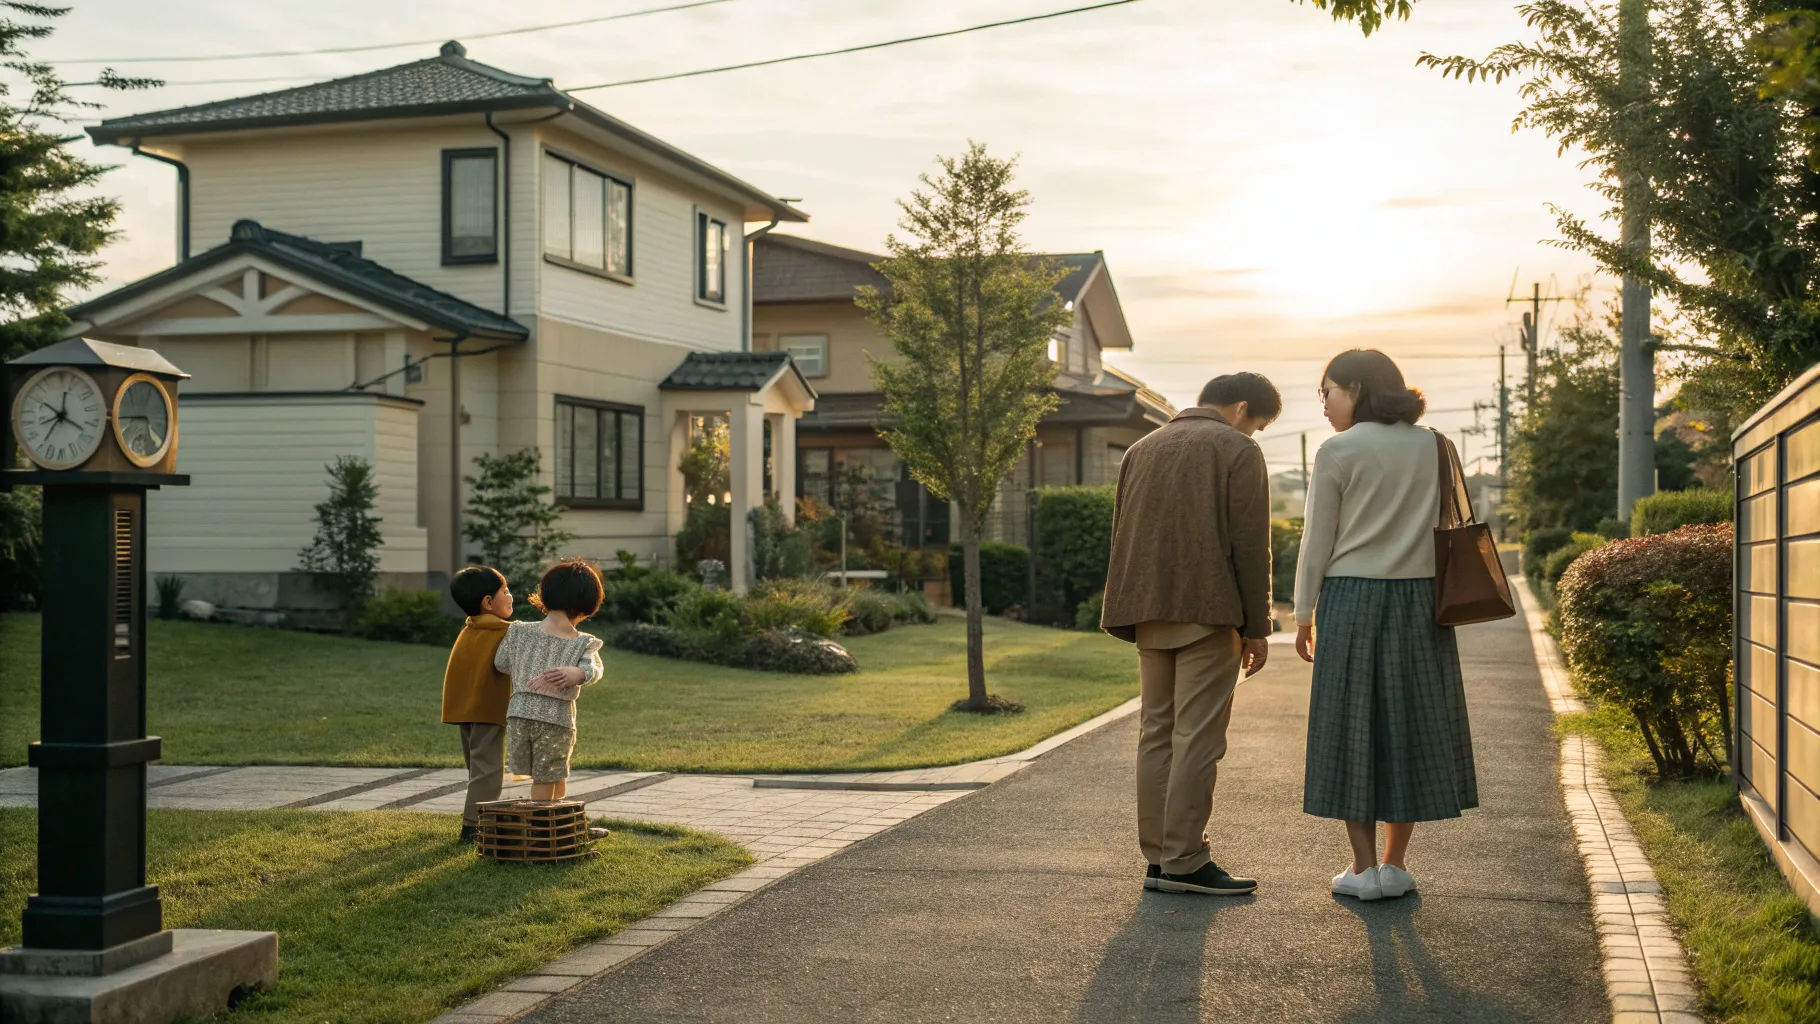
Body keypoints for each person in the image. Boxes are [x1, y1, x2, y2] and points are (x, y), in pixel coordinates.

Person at [1293, 348, 1478, 902]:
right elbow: (1447, 522)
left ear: (1354, 387)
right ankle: (1396, 867)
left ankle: (1362, 868)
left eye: (1327, 391)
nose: (1324, 404)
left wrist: (1304, 615)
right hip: (1422, 602)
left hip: (1351, 600)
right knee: (1412, 725)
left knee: (1352, 728)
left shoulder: (1337, 451)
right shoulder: (1436, 446)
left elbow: (1316, 543)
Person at [1101, 372, 1280, 896]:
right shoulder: (1236, 450)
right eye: (1258, 426)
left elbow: (1122, 535)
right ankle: (1185, 860)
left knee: (1156, 733)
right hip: (1209, 609)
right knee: (1198, 738)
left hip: (1146, 610)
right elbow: (1251, 545)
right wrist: (1257, 627)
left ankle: (1160, 859)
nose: (1254, 436)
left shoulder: (1141, 448)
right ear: (1243, 408)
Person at [496, 558, 606, 802]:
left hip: (519, 715)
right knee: (548, 777)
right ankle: (543, 831)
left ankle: (558, 821)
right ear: (587, 606)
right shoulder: (583, 642)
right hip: (554, 719)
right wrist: (577, 674)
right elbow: (593, 669)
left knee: (550, 775)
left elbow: (501, 663)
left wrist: (526, 666)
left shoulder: (518, 631)